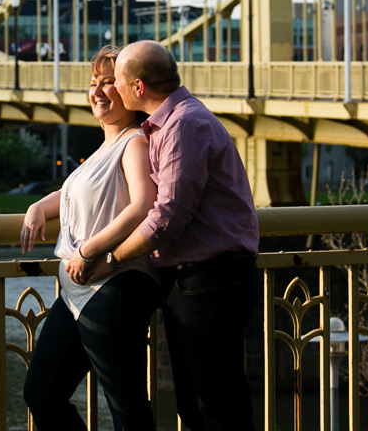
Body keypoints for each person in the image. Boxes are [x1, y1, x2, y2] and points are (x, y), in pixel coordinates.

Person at [74, 39, 260, 431]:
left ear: (137, 88)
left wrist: (109, 259)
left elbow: (167, 218)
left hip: (212, 281)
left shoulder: (184, 125)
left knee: (217, 408)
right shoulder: (166, 124)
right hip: (195, 281)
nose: (113, 91)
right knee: (196, 407)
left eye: (117, 82)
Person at [20, 45, 162, 431]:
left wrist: (87, 250)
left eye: (108, 83)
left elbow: (142, 205)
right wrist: (38, 208)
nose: (97, 91)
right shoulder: (104, 148)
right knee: (41, 393)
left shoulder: (134, 142)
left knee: (127, 408)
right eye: (92, 83)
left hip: (113, 288)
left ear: (129, 91)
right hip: (76, 294)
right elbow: (72, 194)